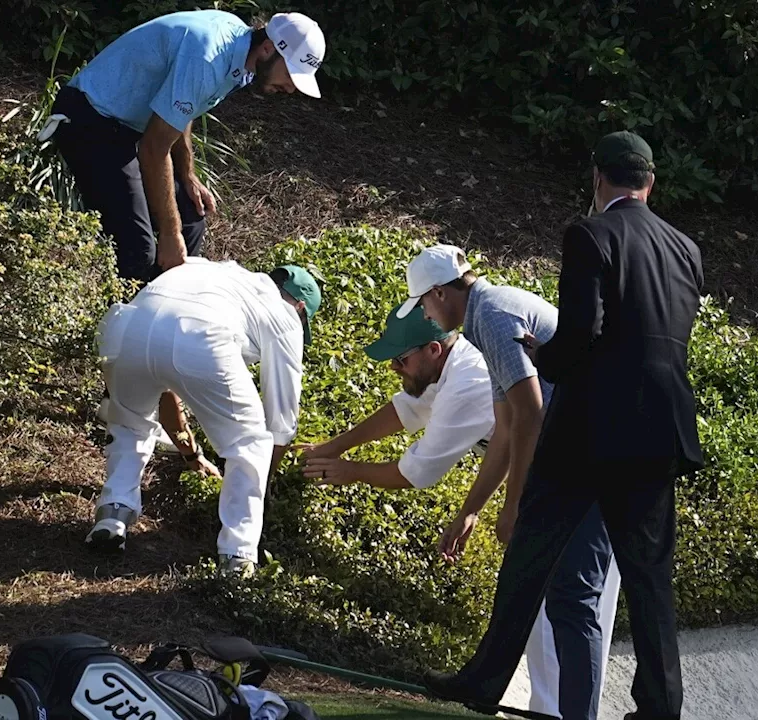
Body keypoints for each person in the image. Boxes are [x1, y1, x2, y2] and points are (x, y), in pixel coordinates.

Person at [422, 132, 705, 720]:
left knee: (528, 557)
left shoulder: (589, 233)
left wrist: (537, 352)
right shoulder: (686, 249)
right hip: (661, 431)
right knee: (649, 577)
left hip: (588, 432)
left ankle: (482, 682)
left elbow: (581, 338)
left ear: (599, 179)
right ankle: (661, 707)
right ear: (650, 183)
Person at [297, 303, 619, 719]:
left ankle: (563, 714)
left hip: (586, 479)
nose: (396, 368)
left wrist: (351, 471)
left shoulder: (467, 381)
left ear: (433, 349)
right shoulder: (455, 360)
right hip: (559, 478)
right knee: (550, 609)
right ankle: (549, 709)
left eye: (401, 359)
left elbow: (418, 472)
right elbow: (409, 410)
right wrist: (332, 448)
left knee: (566, 608)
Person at [394, 246, 621, 720]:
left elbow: (530, 412)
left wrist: (514, 502)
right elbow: (505, 429)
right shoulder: (485, 318)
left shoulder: (493, 316)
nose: (428, 317)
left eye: (424, 306)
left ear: (440, 292)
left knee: (573, 597)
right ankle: (481, 685)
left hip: (596, 454)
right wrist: (471, 510)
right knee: (527, 577)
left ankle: (571, 714)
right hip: (579, 451)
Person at [40, 9, 326, 282]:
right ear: (267, 49)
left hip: (128, 129)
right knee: (139, 252)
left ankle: (165, 309)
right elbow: (153, 148)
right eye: (290, 76)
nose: (290, 88)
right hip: (90, 119)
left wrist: (186, 174)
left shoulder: (242, 56)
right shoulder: (209, 57)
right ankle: (120, 322)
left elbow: (181, 109)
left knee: (191, 216)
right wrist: (169, 233)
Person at [86, 257, 322, 578]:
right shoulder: (285, 316)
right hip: (200, 335)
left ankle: (112, 515)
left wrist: (192, 455)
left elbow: (164, 372)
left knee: (130, 423)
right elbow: (280, 423)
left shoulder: (211, 270)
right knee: (250, 443)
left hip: (126, 328)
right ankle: (237, 557)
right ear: (301, 309)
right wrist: (262, 484)